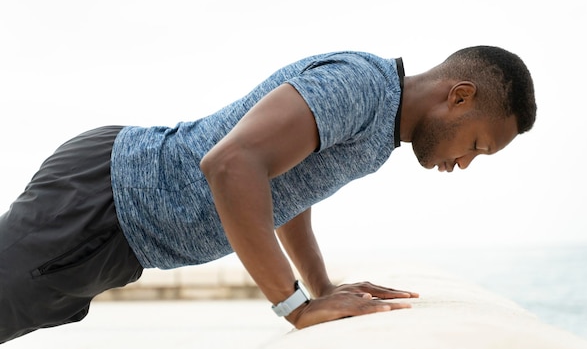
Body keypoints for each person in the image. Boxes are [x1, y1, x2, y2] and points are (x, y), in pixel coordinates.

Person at [0, 46, 536, 343]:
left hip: (121, 231)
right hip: (106, 203)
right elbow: (232, 166)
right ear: (459, 97)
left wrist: (321, 285)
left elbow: (286, 189)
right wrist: (295, 307)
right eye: (477, 146)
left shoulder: (379, 129)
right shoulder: (361, 86)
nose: (462, 164)